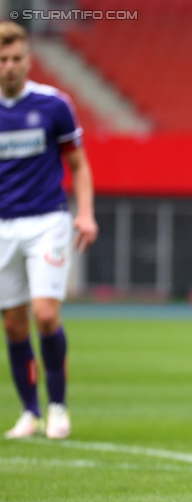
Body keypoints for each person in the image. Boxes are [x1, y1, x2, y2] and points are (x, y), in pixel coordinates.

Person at [1, 21, 97, 440]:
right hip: (3, 225)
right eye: (2, 60)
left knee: (44, 315)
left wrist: (86, 213)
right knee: (13, 325)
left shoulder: (54, 105)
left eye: (16, 58)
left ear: (28, 60)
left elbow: (78, 164)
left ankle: (57, 406)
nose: (9, 67)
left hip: (47, 221)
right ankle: (29, 412)